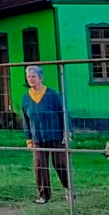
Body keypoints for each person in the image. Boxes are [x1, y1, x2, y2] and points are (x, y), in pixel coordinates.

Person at [21, 65, 71, 205]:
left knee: (60, 163)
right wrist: (29, 140)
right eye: (28, 76)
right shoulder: (26, 98)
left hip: (56, 136)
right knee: (39, 166)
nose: (30, 79)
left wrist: (66, 132)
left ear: (40, 78)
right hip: (37, 138)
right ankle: (44, 195)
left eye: (33, 76)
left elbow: (64, 114)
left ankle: (69, 189)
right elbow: (26, 121)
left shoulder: (52, 95)